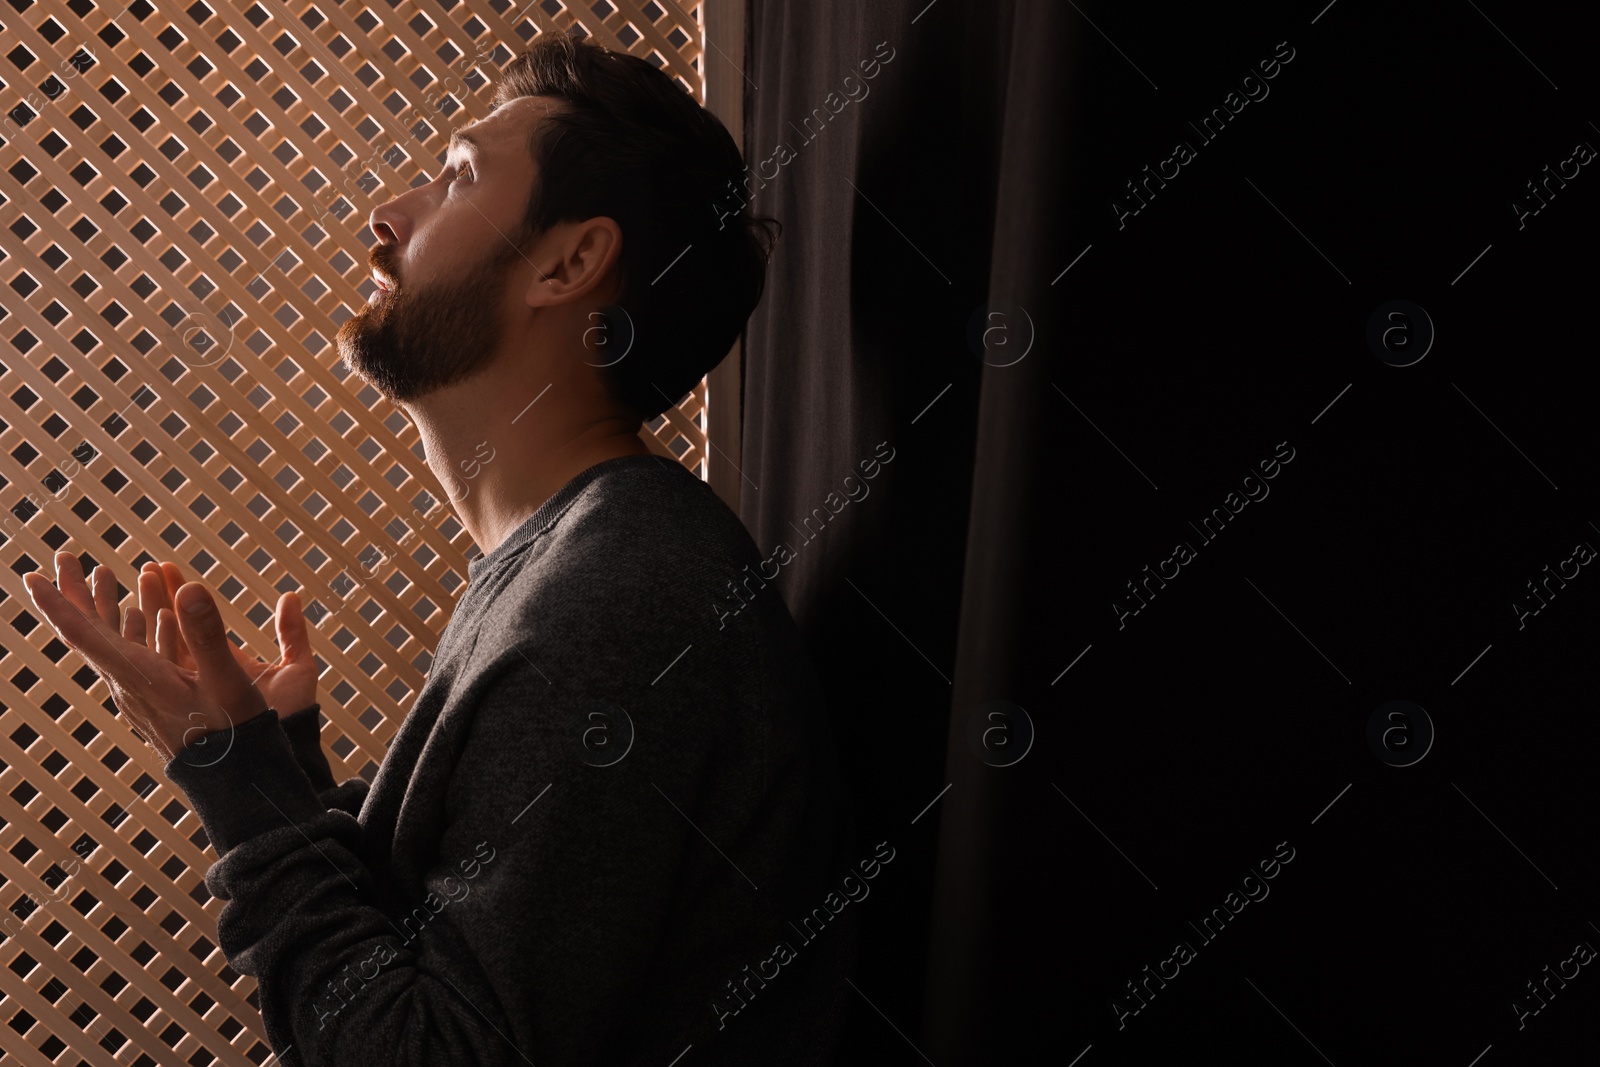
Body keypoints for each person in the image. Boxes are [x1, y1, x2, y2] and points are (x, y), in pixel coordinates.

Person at [24, 31, 860, 1067]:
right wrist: (281, 774)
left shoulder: (615, 600)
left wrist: (242, 788)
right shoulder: (575, 563)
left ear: (568, 262)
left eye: (459, 175)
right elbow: (456, 948)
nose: (388, 218)